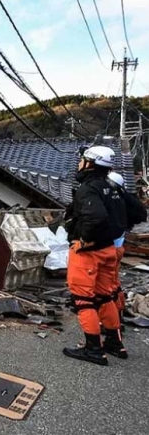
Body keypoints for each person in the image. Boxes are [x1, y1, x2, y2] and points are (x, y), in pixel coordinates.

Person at [63, 146, 127, 365]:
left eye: (82, 160)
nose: (79, 164)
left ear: (90, 163)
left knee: (83, 299)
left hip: (89, 253)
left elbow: (96, 216)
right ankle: (114, 342)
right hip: (109, 249)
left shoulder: (88, 189)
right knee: (105, 296)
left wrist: (84, 239)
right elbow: (133, 213)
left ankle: (93, 350)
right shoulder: (112, 187)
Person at [107, 171, 147, 330]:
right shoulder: (127, 198)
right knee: (114, 282)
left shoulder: (111, 200)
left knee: (105, 285)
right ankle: (118, 311)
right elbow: (141, 215)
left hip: (108, 247)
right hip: (119, 246)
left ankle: (111, 322)